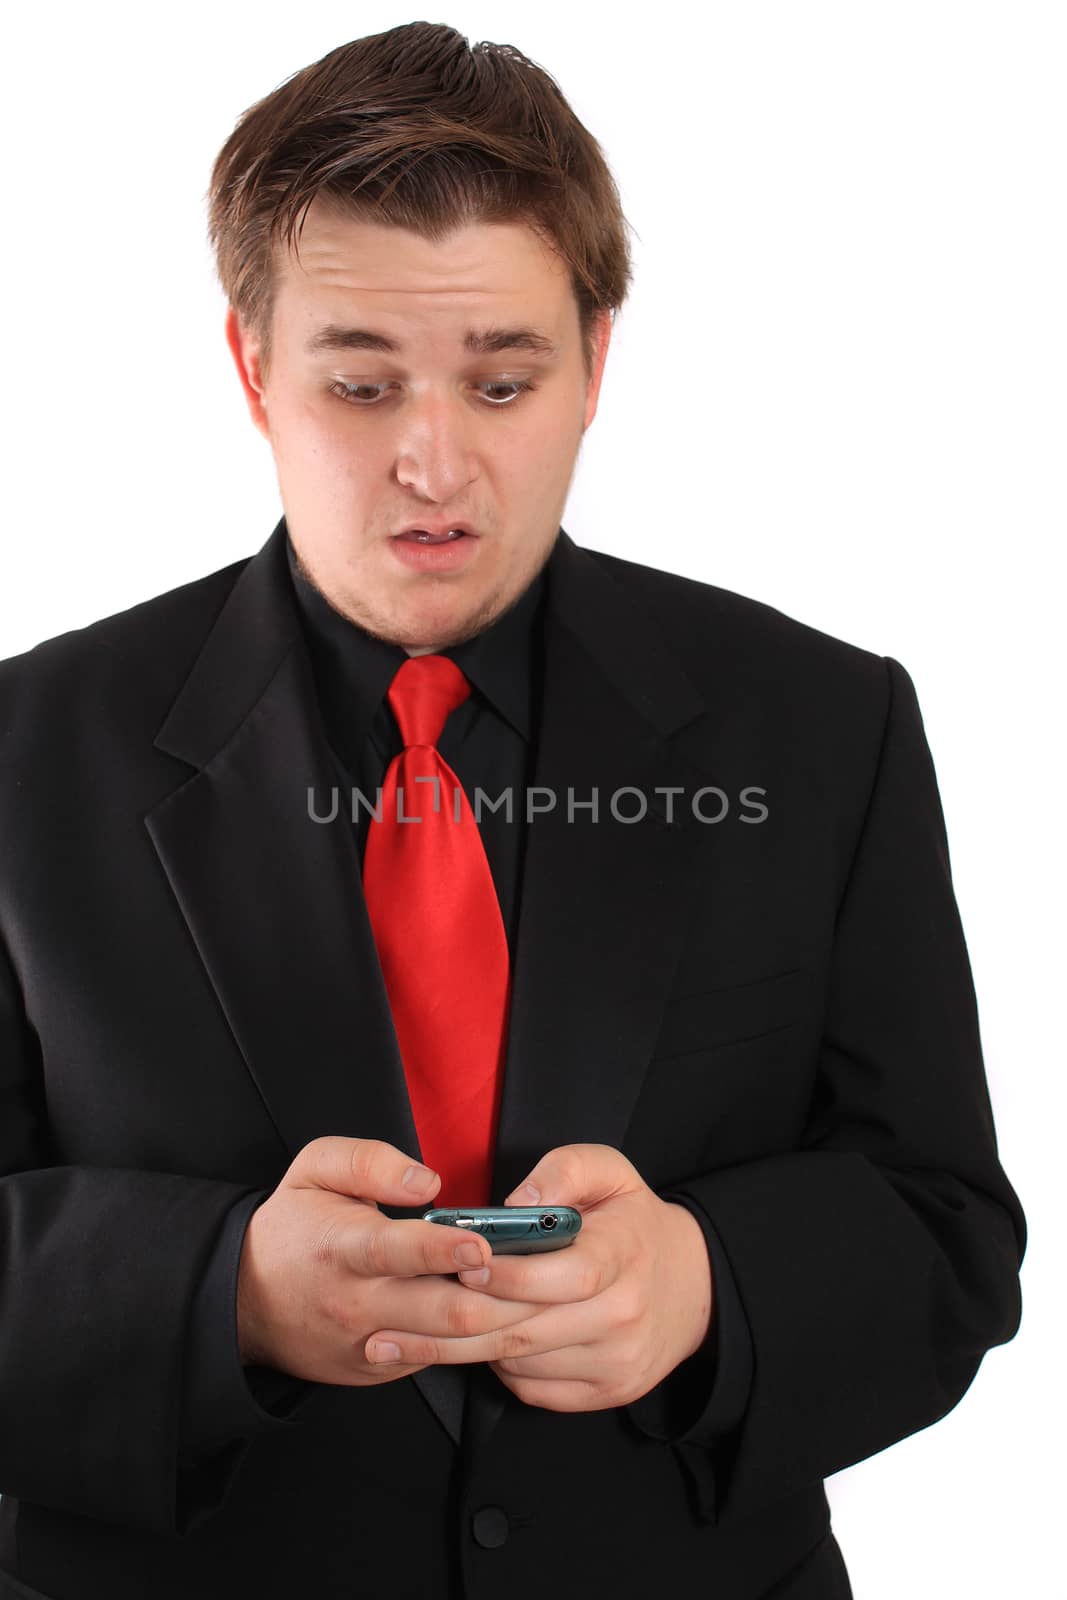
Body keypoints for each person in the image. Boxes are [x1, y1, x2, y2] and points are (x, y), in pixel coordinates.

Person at [0, 21, 1025, 1600]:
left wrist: (704, 1287)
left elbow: (947, 1231)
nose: (435, 462)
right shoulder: (21, 748)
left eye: (502, 379)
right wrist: (224, 1297)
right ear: (251, 368)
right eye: (360, 381)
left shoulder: (828, 725)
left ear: (597, 364)